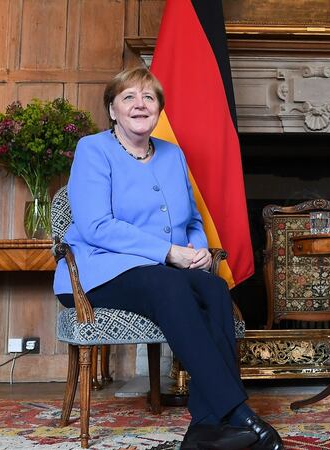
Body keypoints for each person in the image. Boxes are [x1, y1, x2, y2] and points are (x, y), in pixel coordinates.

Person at [52, 67, 283, 450]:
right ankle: (239, 414)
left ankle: (205, 427)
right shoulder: (93, 150)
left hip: (161, 271)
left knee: (214, 288)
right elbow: (95, 226)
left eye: (149, 97)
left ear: (158, 109)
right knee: (169, 285)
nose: (139, 104)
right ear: (112, 110)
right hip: (98, 269)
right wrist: (168, 252)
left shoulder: (172, 154)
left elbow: (191, 219)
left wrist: (197, 250)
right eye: (128, 97)